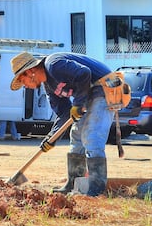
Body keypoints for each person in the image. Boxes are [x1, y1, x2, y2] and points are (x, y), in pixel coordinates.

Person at [10, 51, 114, 197]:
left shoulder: (54, 65)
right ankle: (73, 183)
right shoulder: (49, 87)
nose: (24, 86)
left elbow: (84, 73)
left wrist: (77, 104)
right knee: (76, 136)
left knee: (91, 135)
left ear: (30, 72)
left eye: (22, 81)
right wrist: (51, 138)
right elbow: (64, 114)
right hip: (90, 93)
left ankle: (96, 187)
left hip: (105, 86)